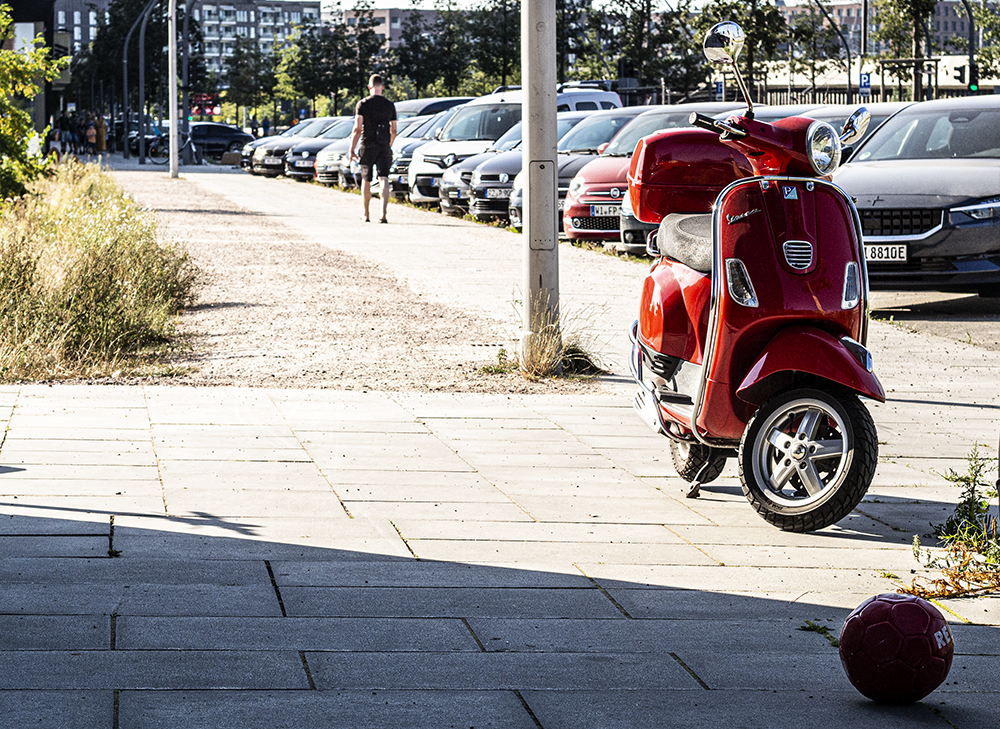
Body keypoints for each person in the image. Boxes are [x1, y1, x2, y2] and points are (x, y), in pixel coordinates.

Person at [348, 74, 397, 223]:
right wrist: (389, 144)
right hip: (383, 145)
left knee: (366, 180)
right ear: (382, 87)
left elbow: (357, 128)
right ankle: (383, 214)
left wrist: (352, 149)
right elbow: (394, 129)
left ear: (369, 87)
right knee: (384, 178)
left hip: (367, 145)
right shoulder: (390, 105)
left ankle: (366, 214)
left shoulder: (362, 104)